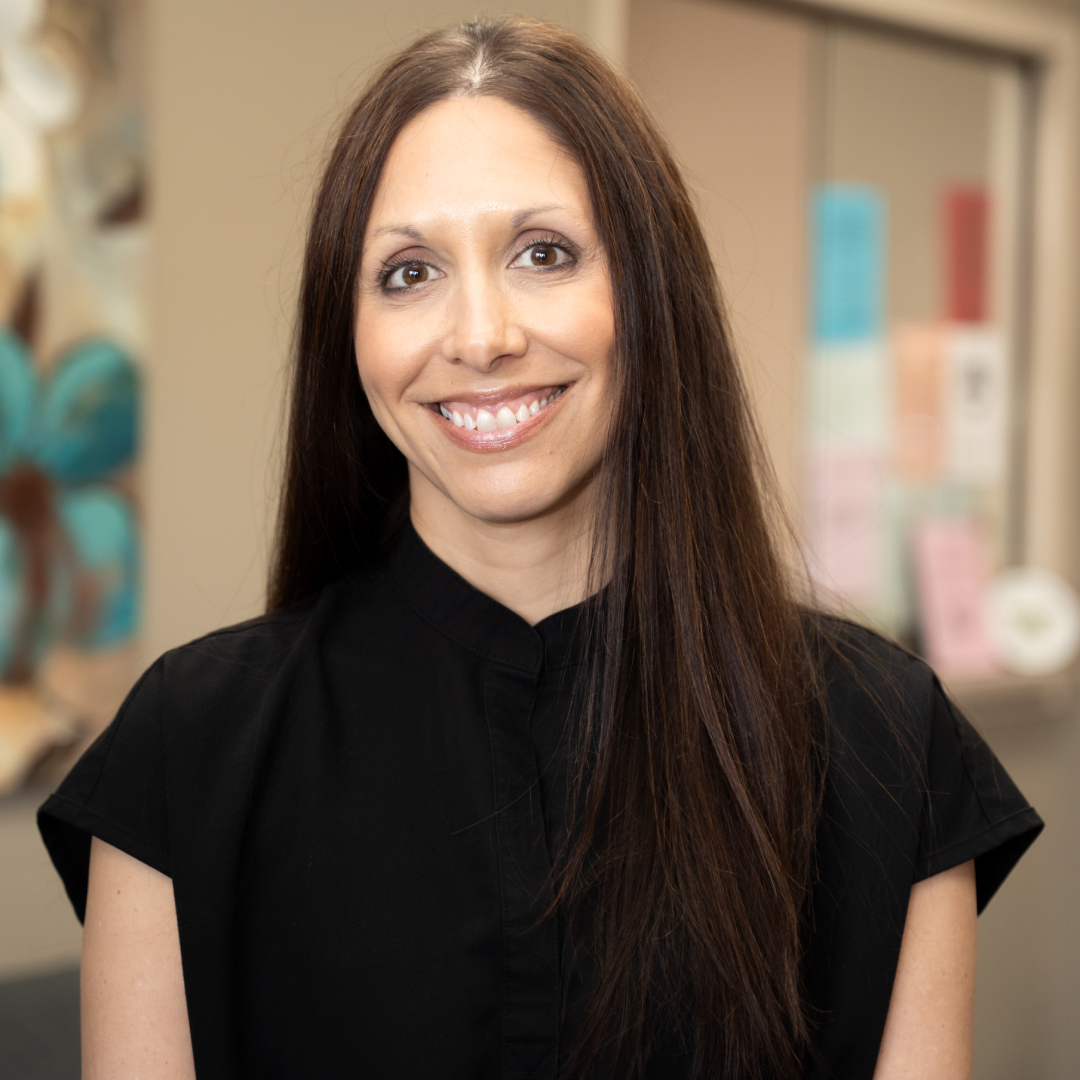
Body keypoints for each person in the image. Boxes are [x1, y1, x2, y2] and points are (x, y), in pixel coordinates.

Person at [39, 17, 1040, 1080]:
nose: (479, 336)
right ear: (351, 335)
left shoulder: (886, 741)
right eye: (409, 273)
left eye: (544, 254)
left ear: (653, 296)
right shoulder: (188, 752)